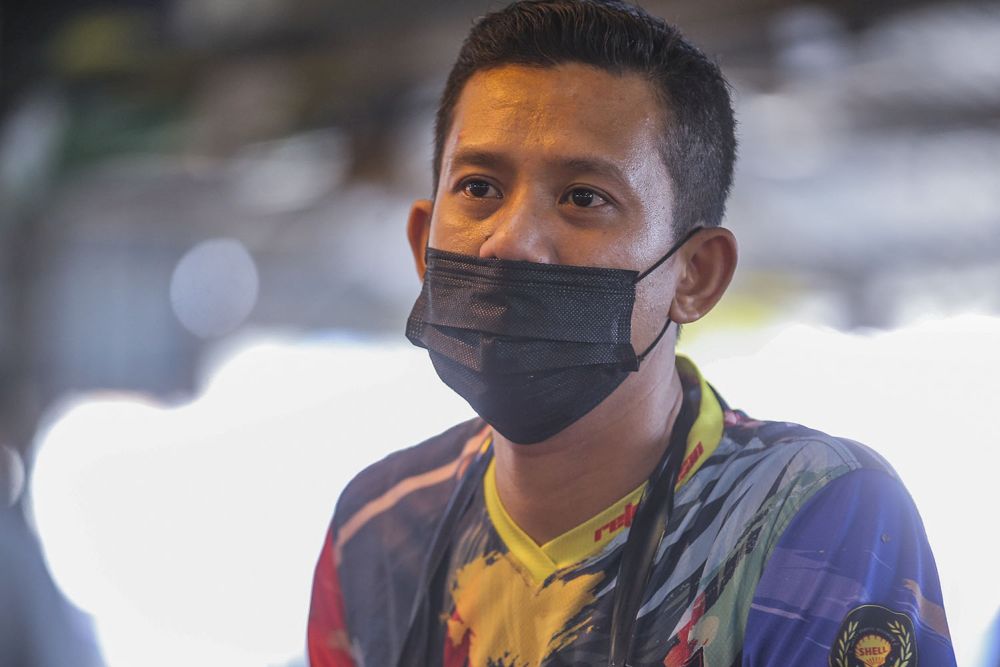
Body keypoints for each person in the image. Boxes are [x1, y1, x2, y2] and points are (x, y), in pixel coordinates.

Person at [308, 2, 957, 665]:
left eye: (584, 197)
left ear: (695, 274)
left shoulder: (808, 512)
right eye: (478, 187)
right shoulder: (376, 529)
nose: (509, 241)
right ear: (422, 244)